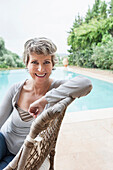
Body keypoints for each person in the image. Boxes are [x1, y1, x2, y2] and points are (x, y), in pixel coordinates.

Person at [0, 37, 93, 169]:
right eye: (34, 62)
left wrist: (44, 100)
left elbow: (86, 84)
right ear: (26, 64)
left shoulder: (57, 88)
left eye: (46, 62)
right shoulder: (16, 89)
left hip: (26, 155)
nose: (40, 69)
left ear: (53, 64)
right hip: (4, 141)